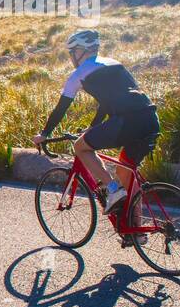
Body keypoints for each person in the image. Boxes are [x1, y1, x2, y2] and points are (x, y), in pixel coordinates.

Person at [33, 29, 160, 216]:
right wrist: (93, 127)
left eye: (72, 53)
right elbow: (109, 103)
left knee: (80, 147)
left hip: (127, 121)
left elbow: (61, 109)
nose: (71, 57)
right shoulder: (115, 63)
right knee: (126, 171)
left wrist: (44, 134)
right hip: (150, 118)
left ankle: (112, 189)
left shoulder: (79, 74)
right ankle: (136, 232)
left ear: (79, 51)